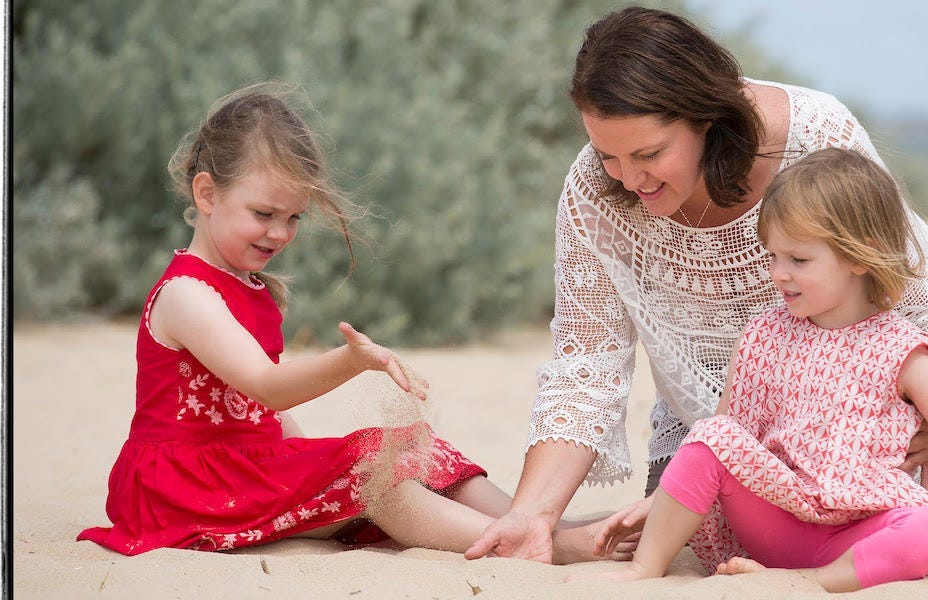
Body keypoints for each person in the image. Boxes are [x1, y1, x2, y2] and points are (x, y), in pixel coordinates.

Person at [466, 6, 928, 562]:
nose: (630, 177)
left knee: (890, 541)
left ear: (707, 119)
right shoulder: (595, 190)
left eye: (650, 154)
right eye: (608, 153)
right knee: (670, 540)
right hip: (710, 441)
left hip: (847, 433)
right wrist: (532, 514)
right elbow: (585, 367)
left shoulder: (814, 134)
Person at [77, 82, 620, 562]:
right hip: (180, 484)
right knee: (373, 479)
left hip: (239, 466)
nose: (279, 233)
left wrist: (305, 464)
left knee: (411, 449)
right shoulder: (186, 295)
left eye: (293, 218)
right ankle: (527, 545)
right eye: (264, 213)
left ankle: (534, 523)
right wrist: (351, 362)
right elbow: (266, 387)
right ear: (206, 193)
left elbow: (260, 415)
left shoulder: (255, 290)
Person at [573, 147, 928, 591]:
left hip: (856, 532)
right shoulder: (763, 335)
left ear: (861, 255)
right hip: (774, 517)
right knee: (712, 434)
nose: (779, 273)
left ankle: (804, 583)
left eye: (799, 259)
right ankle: (646, 568)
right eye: (774, 256)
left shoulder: (908, 356)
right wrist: (658, 503)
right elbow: (719, 447)